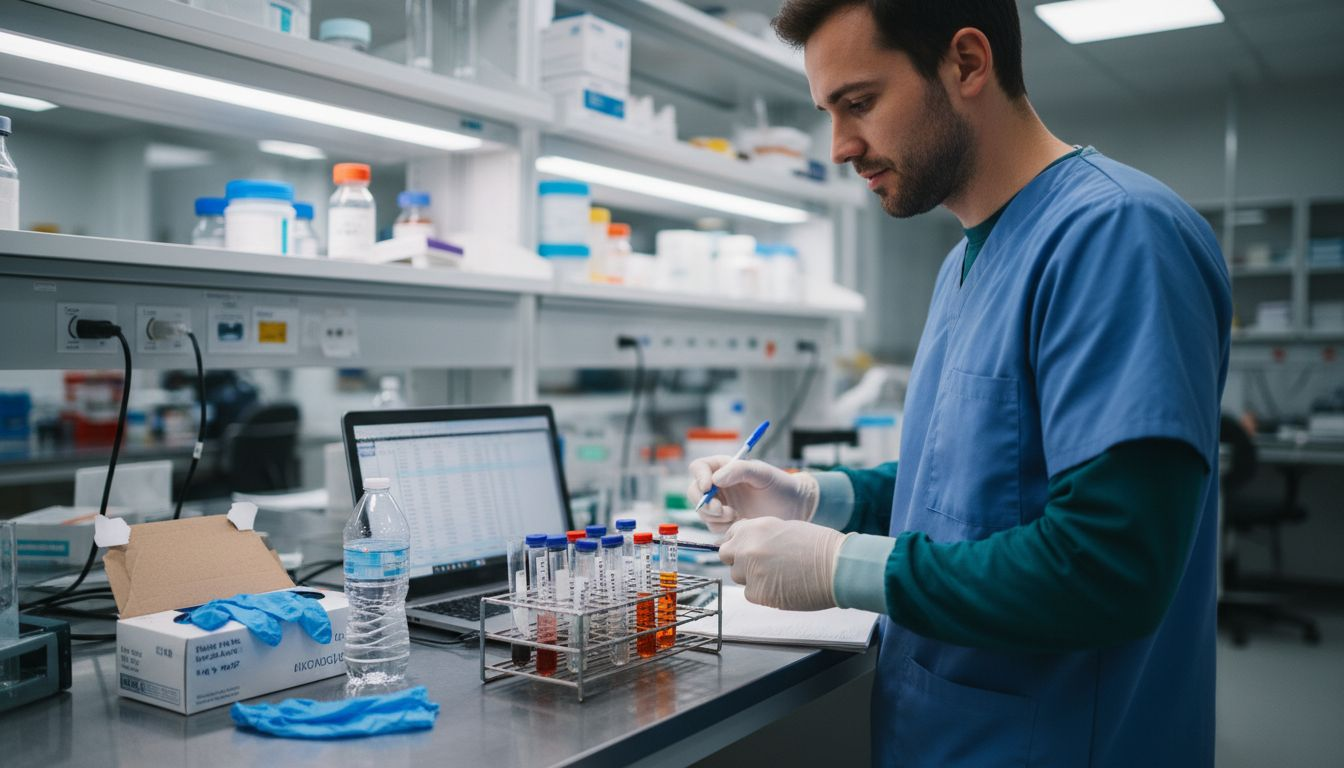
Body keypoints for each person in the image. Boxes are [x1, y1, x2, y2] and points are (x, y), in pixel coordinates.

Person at [688, 1, 1231, 765]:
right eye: (828, 112)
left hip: (1062, 741)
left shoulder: (1117, 235)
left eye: (860, 103)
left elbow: (1108, 567)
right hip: (942, 734)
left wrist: (837, 565)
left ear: (968, 63)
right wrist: (814, 496)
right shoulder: (965, 261)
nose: (841, 146)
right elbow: (974, 482)